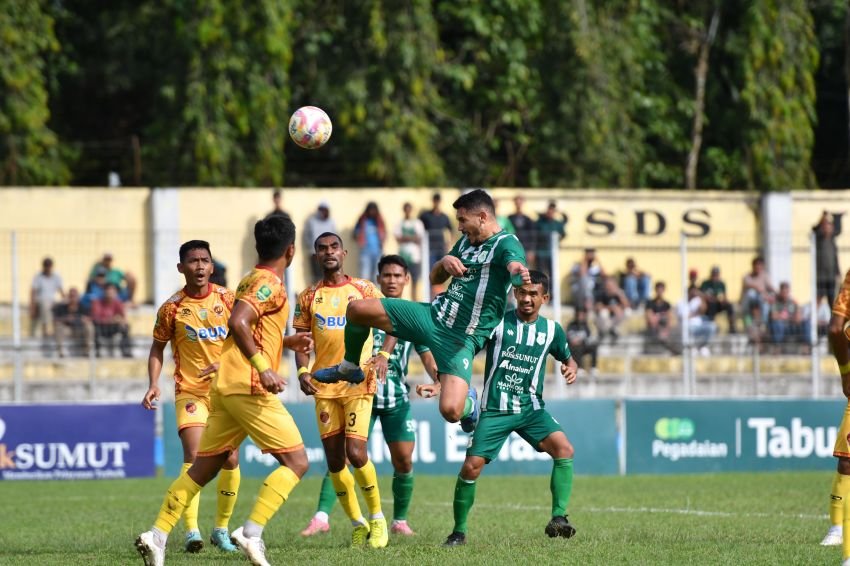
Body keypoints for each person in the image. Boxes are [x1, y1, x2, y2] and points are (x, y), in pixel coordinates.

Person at [135, 214, 315, 566]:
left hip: (222, 385)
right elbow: (238, 322)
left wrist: (287, 340)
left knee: (202, 468)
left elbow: (243, 329)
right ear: (291, 251)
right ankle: (251, 532)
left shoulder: (247, 281)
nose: (201, 267)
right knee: (297, 461)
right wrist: (264, 369)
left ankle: (156, 536)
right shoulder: (271, 284)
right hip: (246, 385)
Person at [313, 189, 530, 437]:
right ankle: (349, 366)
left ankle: (469, 406)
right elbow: (434, 277)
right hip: (432, 316)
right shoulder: (465, 243)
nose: (459, 227)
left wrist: (518, 274)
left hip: (462, 338)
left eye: (462, 220)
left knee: (450, 410)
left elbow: (515, 266)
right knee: (357, 309)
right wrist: (444, 263)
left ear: (482, 216)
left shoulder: (506, 243)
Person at [419, 271, 578, 547]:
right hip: (495, 409)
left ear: (545, 298)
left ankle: (559, 518)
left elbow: (569, 358)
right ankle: (458, 532)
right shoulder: (497, 323)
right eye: (522, 292)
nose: (527, 298)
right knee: (471, 468)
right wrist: (440, 382)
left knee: (564, 449)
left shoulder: (552, 330)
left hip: (531, 409)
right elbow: (463, 354)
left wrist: (570, 368)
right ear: (515, 293)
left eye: (533, 294)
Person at [300, 255, 438, 538]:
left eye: (397, 276)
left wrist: (437, 380)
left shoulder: (411, 318)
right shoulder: (364, 311)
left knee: (403, 460)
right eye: (386, 275)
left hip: (395, 400)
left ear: (406, 280)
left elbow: (428, 355)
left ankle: (399, 521)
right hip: (360, 393)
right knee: (345, 456)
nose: (391, 280)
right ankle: (321, 516)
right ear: (379, 279)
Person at [294, 232, 393, 549]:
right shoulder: (308, 296)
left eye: (333, 247)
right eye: (322, 249)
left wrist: (383, 355)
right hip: (324, 388)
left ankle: (378, 519)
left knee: (356, 453)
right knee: (335, 463)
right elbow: (301, 343)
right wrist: (302, 370)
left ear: (344, 252)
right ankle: (357, 523)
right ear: (316, 256)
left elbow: (394, 321)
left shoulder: (364, 289)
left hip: (358, 383)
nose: (328, 252)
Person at [141, 240, 241, 554]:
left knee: (230, 458)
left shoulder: (227, 299)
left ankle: (221, 530)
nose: (199, 266)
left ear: (212, 266)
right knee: (196, 457)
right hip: (191, 391)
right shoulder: (171, 308)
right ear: (181, 267)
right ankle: (191, 531)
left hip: (226, 392)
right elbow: (157, 347)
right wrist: (154, 382)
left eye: (204, 260)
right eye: (193, 261)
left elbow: (245, 337)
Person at [394, 202, 426, 300]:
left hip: (415, 256)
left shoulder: (417, 223)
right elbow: (398, 238)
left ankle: (414, 300)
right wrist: (412, 237)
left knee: (415, 281)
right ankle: (401, 300)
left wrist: (406, 237)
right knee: (401, 280)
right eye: (406, 209)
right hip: (403, 256)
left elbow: (420, 238)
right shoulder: (399, 223)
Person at [91, 283, 132, 357]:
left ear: (115, 293)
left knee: (125, 326)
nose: (109, 293)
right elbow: (96, 318)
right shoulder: (97, 302)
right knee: (94, 327)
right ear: (104, 292)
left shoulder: (117, 302)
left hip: (113, 327)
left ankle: (126, 351)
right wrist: (112, 319)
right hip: (101, 327)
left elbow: (123, 317)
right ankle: (97, 352)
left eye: (112, 291)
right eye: (108, 291)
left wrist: (120, 320)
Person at [53, 287, 94, 357]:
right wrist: (65, 319)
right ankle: (61, 351)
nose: (73, 298)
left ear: (78, 297)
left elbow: (90, 318)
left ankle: (87, 351)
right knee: (58, 327)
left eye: (75, 296)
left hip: (79, 329)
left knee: (89, 326)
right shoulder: (61, 307)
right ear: (68, 297)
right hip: (67, 330)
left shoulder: (83, 307)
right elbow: (55, 320)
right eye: (71, 296)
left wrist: (83, 320)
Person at [30, 257, 64, 338]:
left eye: (49, 266)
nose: (48, 268)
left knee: (59, 306)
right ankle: (45, 330)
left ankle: (57, 331)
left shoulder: (57, 276)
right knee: (45, 305)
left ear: (52, 266)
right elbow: (33, 291)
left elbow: (61, 291)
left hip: (52, 300)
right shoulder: (38, 276)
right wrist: (32, 305)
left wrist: (66, 300)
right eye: (46, 266)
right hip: (41, 300)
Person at [768, 282, 807, 353]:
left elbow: (798, 318)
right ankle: (777, 347)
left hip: (791, 326)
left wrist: (796, 308)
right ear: (780, 291)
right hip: (780, 327)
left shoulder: (793, 302)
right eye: (783, 291)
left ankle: (806, 347)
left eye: (786, 291)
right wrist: (785, 317)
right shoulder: (776, 302)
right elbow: (773, 316)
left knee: (806, 323)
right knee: (778, 324)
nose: (785, 293)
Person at [353, 201, 386, 282]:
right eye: (370, 210)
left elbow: (384, 233)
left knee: (377, 275)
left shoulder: (379, 221)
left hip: (378, 252)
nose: (372, 212)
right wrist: (359, 236)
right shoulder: (362, 220)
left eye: (373, 210)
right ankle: (364, 294)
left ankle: (376, 294)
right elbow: (354, 234)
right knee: (364, 275)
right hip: (365, 252)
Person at [418, 192, 453, 270]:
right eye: (435, 200)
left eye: (438, 200)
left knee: (441, 271)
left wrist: (448, 244)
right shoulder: (426, 216)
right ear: (433, 201)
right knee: (431, 270)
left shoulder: (444, 217)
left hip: (441, 248)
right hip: (429, 248)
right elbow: (419, 228)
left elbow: (450, 230)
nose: (436, 202)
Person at [304, 201, 337, 281]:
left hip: (329, 254)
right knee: (317, 276)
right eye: (322, 210)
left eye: (326, 210)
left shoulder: (331, 222)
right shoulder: (312, 221)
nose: (324, 212)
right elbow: (306, 235)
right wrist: (312, 247)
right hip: (316, 253)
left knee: (329, 274)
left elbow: (335, 237)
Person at [679, 285, 716, 356]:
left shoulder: (697, 301)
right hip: (687, 327)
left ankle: (702, 347)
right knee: (688, 329)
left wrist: (701, 296)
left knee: (711, 327)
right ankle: (691, 347)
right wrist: (694, 314)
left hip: (698, 326)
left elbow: (703, 310)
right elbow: (684, 317)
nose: (694, 294)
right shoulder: (681, 302)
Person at [644, 282, 681, 355]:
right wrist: (660, 317)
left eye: (661, 289)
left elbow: (669, 318)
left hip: (663, 328)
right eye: (658, 289)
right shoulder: (650, 303)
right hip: (654, 328)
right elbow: (650, 318)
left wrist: (666, 328)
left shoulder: (667, 304)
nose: (660, 291)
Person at [535, 200, 567, 281]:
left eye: (552, 209)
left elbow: (563, 234)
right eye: (550, 209)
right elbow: (535, 235)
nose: (551, 211)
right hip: (541, 252)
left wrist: (557, 241)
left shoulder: (557, 224)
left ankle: (552, 293)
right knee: (540, 275)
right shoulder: (540, 223)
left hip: (552, 253)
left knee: (552, 275)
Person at [814, 211, 841, 307]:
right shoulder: (819, 239)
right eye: (825, 226)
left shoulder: (832, 240)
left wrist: (838, 272)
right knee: (819, 297)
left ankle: (832, 320)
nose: (827, 229)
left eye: (829, 226)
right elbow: (815, 229)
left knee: (832, 299)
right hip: (820, 276)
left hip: (831, 276)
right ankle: (814, 318)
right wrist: (823, 217)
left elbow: (835, 258)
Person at [700, 266, 736, 334]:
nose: (715, 276)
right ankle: (711, 328)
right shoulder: (706, 283)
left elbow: (725, 296)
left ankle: (732, 326)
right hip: (708, 305)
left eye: (716, 274)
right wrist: (713, 299)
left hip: (718, 304)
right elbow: (703, 295)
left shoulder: (721, 284)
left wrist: (724, 301)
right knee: (712, 305)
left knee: (729, 305)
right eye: (714, 274)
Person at [594, 276, 629, 345]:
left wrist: (619, 294)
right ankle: (603, 331)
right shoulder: (601, 293)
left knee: (628, 312)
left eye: (611, 285)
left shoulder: (619, 293)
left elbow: (626, 305)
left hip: (614, 319)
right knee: (604, 313)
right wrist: (612, 308)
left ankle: (613, 330)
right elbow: (598, 307)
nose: (609, 287)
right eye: (608, 285)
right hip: (603, 321)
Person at [741, 256, 775, 326]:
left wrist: (775, 295)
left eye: (760, 265)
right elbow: (752, 286)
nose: (758, 267)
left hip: (761, 302)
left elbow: (771, 288)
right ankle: (749, 325)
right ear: (753, 266)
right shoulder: (747, 276)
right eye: (757, 265)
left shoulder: (765, 275)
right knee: (751, 293)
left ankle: (763, 325)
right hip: (748, 304)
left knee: (766, 305)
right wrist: (763, 293)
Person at [565, 309, 598, 376]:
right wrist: (576, 340)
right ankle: (579, 368)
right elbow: (569, 337)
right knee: (578, 347)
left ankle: (593, 368)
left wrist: (582, 340)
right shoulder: (571, 325)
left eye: (582, 315)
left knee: (594, 346)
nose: (581, 317)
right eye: (579, 315)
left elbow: (589, 337)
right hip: (573, 347)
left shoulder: (585, 325)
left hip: (583, 345)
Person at [508, 196, 537, 268]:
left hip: (525, 248)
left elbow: (532, 235)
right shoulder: (510, 218)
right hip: (513, 248)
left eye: (520, 202)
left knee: (525, 269)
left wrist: (531, 250)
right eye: (517, 202)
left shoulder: (528, 219)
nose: (518, 204)